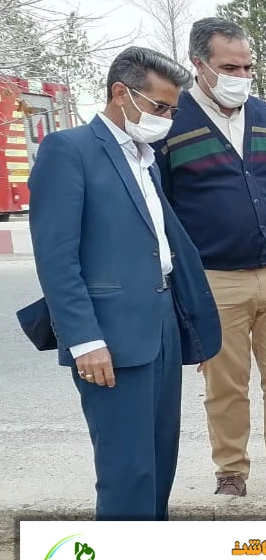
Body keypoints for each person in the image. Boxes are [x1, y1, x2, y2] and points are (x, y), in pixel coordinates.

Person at [26, 47, 221, 520]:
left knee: (159, 459)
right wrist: (84, 341)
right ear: (120, 93)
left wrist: (188, 324)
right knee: (126, 468)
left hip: (161, 325)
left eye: (172, 111)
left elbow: (160, 244)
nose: (166, 119)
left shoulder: (145, 157)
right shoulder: (69, 150)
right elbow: (57, 258)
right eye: (159, 107)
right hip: (109, 338)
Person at [158, 17, 266, 498]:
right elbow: (162, 210)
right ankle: (231, 473)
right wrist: (181, 287)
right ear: (199, 64)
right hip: (215, 279)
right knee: (225, 385)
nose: (241, 76)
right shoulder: (173, 124)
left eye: (247, 67)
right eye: (229, 67)